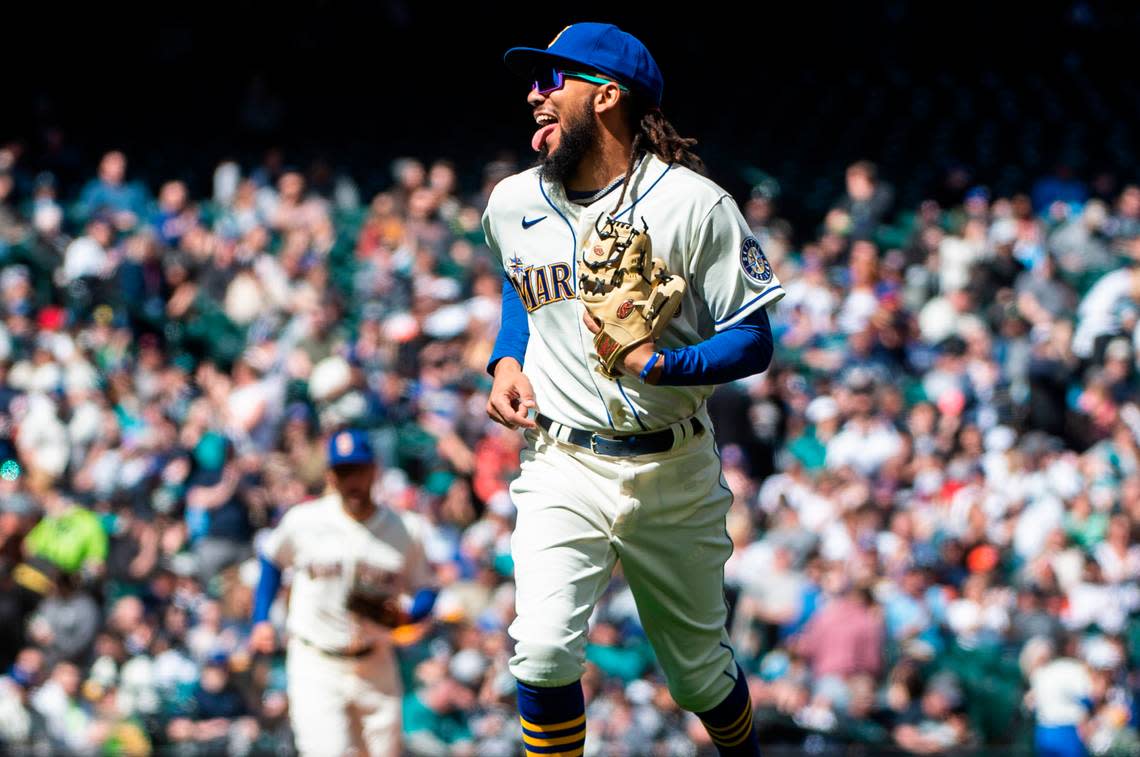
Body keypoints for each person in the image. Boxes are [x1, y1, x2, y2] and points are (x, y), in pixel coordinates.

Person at [483, 22, 784, 756]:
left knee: (699, 680)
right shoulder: (511, 200)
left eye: (553, 80)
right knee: (545, 652)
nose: (534, 94)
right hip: (561, 461)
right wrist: (505, 361)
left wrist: (661, 364)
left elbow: (754, 336)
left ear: (607, 95)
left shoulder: (695, 205)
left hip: (671, 466)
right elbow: (520, 285)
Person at [248, 429, 437, 756]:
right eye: (343, 471)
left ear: (374, 471)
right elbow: (272, 559)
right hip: (315, 661)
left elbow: (426, 589)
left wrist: (411, 614)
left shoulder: (406, 529)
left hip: (375, 661)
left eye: (358, 470)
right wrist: (261, 618)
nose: (352, 481)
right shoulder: (304, 520)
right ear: (330, 475)